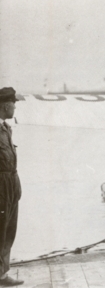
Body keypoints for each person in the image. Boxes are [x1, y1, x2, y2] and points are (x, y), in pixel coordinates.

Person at [0, 87, 23, 286]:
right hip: (0, 185)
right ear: (6, 105)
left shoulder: (6, 127)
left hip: (11, 183)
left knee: (9, 229)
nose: (15, 108)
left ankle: (2, 275)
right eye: (14, 104)